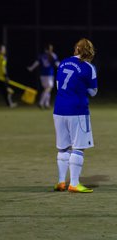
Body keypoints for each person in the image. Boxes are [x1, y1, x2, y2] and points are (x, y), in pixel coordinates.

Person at [53, 38, 97, 193]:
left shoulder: (63, 62)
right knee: (78, 147)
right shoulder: (88, 68)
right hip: (77, 110)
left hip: (59, 109)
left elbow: (58, 86)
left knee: (63, 147)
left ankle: (60, 182)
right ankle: (74, 183)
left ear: (76, 49)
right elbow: (93, 92)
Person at [27, 44, 60, 109]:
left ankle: (46, 104)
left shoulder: (42, 56)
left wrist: (31, 68)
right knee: (49, 88)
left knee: (46, 90)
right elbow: (57, 64)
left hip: (42, 75)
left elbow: (36, 63)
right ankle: (41, 103)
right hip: (49, 75)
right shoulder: (53, 55)